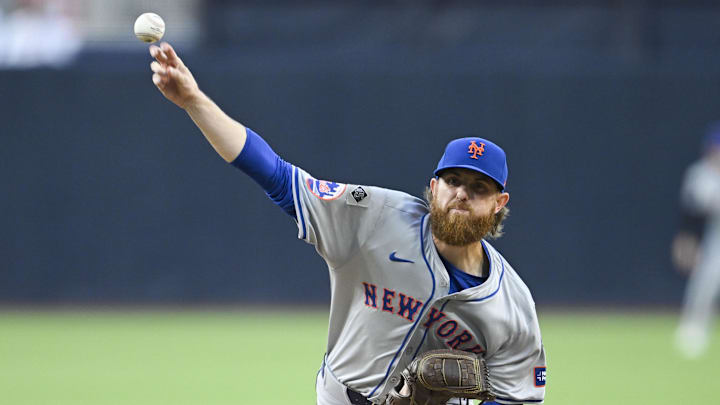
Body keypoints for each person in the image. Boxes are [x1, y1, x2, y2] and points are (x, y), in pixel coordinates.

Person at [148, 42, 546, 405]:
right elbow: (278, 177)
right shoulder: (377, 218)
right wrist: (193, 101)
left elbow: (518, 398)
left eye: (478, 188)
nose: (462, 193)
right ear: (433, 187)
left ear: (499, 204)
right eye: (453, 181)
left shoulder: (514, 306)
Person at [673, 123, 720, 359]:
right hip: (714, 239)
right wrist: (686, 242)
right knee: (705, 283)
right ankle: (693, 329)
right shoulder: (700, 175)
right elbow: (691, 215)